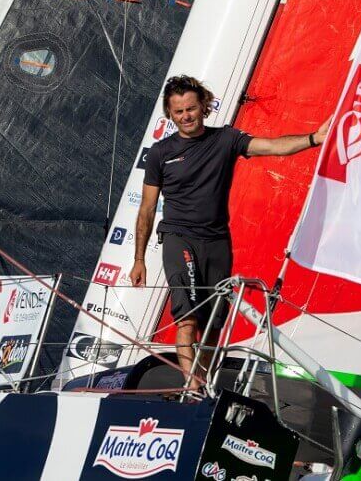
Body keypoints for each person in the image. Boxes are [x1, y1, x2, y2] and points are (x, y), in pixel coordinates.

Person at [130, 75, 329, 384]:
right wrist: (139, 259)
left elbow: (273, 147)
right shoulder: (160, 152)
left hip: (217, 242)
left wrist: (314, 138)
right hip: (178, 237)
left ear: (204, 107)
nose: (186, 117)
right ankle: (191, 386)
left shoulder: (225, 139)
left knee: (212, 325)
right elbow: (146, 209)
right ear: (170, 114)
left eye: (191, 109)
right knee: (187, 318)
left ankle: (204, 382)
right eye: (179, 112)